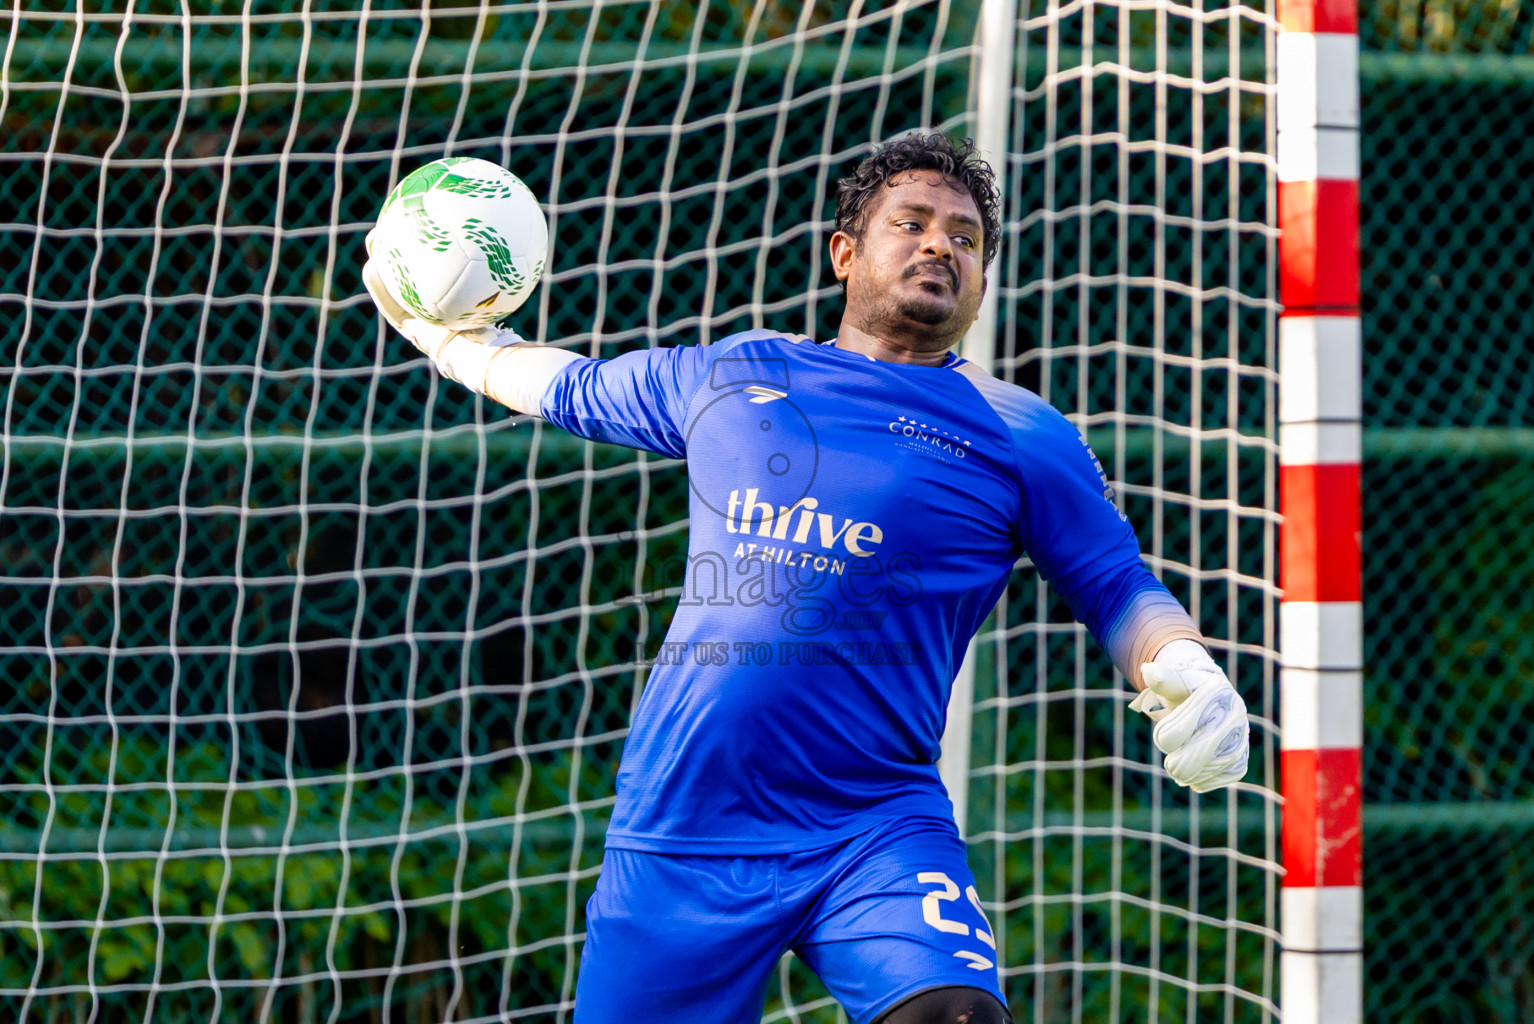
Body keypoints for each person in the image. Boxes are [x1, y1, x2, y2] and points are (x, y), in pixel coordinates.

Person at [362, 132, 1250, 1024]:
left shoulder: (1021, 431)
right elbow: (575, 387)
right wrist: (456, 347)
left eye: (966, 237)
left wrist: (1181, 665)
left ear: (981, 280)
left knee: (953, 1017)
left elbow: (1115, 582)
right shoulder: (735, 371)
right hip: (682, 826)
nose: (941, 244)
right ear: (846, 253)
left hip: (872, 823)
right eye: (911, 223)